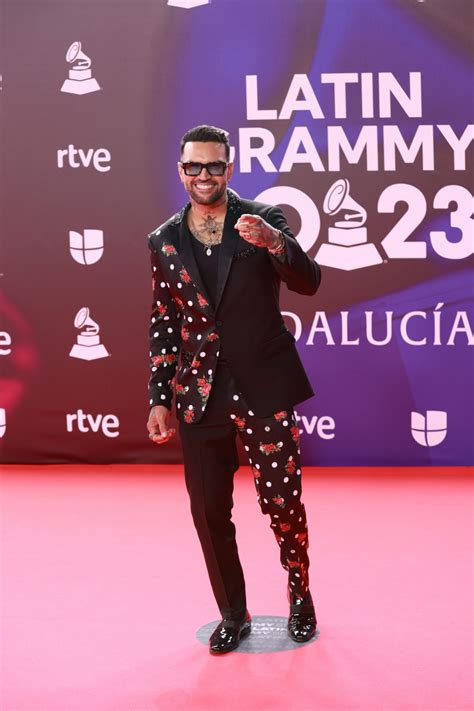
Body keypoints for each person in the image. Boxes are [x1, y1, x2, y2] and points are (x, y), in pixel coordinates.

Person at [146, 125, 321, 654]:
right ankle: (232, 612)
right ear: (180, 171)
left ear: (230, 168)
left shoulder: (264, 219)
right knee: (208, 512)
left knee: (282, 504)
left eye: (214, 166)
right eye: (194, 166)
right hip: (199, 397)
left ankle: (300, 597)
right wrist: (159, 396)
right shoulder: (164, 240)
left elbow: (309, 280)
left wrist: (274, 243)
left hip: (264, 387)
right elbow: (164, 320)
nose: (204, 175)